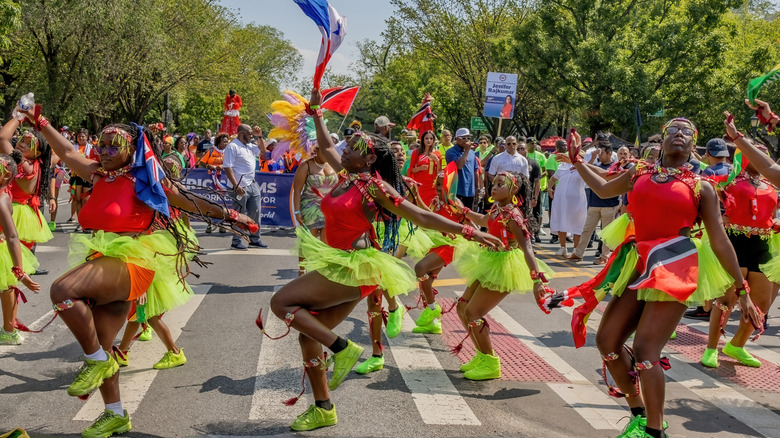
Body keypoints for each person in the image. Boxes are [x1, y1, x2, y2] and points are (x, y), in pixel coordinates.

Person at [265, 88, 501, 432]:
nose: (343, 149)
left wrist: (470, 231)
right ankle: (323, 407)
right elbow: (328, 147)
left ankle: (343, 349)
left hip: (353, 266)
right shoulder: (348, 175)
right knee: (308, 333)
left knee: (281, 303)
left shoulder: (375, 188)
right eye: (346, 146)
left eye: (353, 148)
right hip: (340, 264)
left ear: (370, 159)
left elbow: (420, 216)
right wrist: (315, 113)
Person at [17, 104, 257, 438]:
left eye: (114, 146)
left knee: (61, 291)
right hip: (104, 259)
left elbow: (188, 201)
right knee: (103, 342)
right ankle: (115, 413)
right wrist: (39, 121)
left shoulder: (145, 181)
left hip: (132, 261)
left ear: (132, 150)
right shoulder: (99, 174)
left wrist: (234, 215)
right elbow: (67, 150)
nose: (105, 151)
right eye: (102, 145)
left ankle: (97, 362)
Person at [565, 120, 760, 438]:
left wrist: (743, 289)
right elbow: (602, 187)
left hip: (674, 268)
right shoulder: (639, 173)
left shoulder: (702, 186)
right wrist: (577, 162)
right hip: (639, 263)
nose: (679, 134)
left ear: (693, 145)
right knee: (607, 342)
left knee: (645, 350)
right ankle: (639, 414)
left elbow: (720, 240)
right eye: (674, 130)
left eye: (687, 132)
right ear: (664, 139)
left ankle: (655, 431)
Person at [452, 172, 552, 379]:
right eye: (494, 184)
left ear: (514, 190)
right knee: (462, 307)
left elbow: (527, 247)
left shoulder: (513, 215)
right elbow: (484, 220)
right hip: (490, 260)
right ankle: (482, 355)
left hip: (504, 265)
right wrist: (463, 211)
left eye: (500, 184)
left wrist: (536, 279)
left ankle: (490, 363)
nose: (494, 188)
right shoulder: (498, 208)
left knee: (472, 313)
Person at [701, 147, 777, 369]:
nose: (760, 156)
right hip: (734, 243)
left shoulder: (771, 184)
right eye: (752, 151)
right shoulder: (728, 180)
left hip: (762, 244)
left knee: (761, 303)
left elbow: (770, 215)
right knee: (726, 301)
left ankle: (737, 345)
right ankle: (711, 348)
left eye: (763, 153)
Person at [0, 120, 54, 274]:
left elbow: (2, 139)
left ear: (37, 153)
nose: (22, 144)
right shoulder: (34, 164)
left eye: (29, 143)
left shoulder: (24, 165)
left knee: (6, 267)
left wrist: (18, 116)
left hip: (13, 213)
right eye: (22, 140)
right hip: (20, 212)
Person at [0, 153, 41, 345]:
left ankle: (9, 330)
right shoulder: (5, 191)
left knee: (7, 287)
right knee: (7, 288)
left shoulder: (1, 200)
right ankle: (9, 330)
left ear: (6, 175)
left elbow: (12, 236)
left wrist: (19, 271)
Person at [569, 143, 620, 263]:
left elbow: (607, 177)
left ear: (609, 153)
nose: (599, 155)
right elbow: (586, 173)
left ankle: (604, 257)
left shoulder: (615, 168)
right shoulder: (596, 165)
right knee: (587, 229)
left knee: (606, 234)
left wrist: (620, 205)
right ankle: (578, 253)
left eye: (601, 152)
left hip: (609, 205)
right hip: (594, 204)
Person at [292, 144, 338, 273]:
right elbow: (297, 191)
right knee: (308, 242)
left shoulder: (334, 165)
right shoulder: (306, 166)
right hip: (310, 208)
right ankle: (302, 271)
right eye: (324, 151)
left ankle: (324, 272)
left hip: (330, 209)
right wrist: (297, 211)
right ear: (316, 150)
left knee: (326, 242)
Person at [224, 124, 267, 250]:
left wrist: (260, 136)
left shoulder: (249, 146)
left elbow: (263, 152)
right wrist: (235, 185)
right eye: (250, 134)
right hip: (239, 187)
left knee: (255, 212)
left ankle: (255, 239)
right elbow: (228, 167)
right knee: (239, 215)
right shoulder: (232, 147)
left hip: (252, 185)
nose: (251, 136)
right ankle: (236, 241)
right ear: (242, 133)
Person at [548, 140, 586, 257]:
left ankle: (576, 249)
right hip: (561, 200)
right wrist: (550, 188)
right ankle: (563, 248)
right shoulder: (562, 166)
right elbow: (553, 179)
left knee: (577, 224)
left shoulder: (583, 167)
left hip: (577, 201)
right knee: (561, 221)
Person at [445, 128, 483, 209]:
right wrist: (466, 151)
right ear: (457, 139)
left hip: (470, 192)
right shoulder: (450, 152)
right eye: (464, 138)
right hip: (457, 191)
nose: (467, 140)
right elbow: (459, 166)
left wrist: (477, 188)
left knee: (468, 217)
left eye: (468, 138)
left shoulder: (472, 153)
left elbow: (475, 171)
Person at [406, 130, 441, 206]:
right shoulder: (416, 152)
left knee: (431, 206)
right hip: (420, 184)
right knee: (420, 205)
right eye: (426, 138)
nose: (429, 140)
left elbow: (439, 172)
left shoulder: (437, 154)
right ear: (423, 140)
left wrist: (437, 161)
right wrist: (420, 168)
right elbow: (411, 170)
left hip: (432, 185)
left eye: (431, 138)